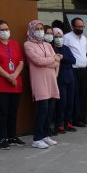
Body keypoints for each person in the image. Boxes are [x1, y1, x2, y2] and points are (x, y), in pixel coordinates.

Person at [0, 20, 25, 150]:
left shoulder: (14, 44)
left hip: (15, 83)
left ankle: (12, 136)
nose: (5, 31)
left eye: (6, 29)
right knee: (2, 112)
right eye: (1, 29)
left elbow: (20, 62)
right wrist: (8, 76)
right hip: (0, 84)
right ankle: (2, 138)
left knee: (13, 111)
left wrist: (14, 75)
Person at [24, 19, 60, 149]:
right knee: (42, 110)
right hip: (39, 81)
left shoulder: (48, 45)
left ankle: (45, 135)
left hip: (51, 80)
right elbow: (37, 61)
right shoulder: (28, 45)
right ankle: (37, 138)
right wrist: (52, 59)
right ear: (31, 30)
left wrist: (51, 60)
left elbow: (57, 63)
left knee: (50, 109)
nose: (40, 31)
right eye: (37, 29)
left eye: (41, 29)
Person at [63, 17, 87, 127]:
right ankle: (75, 119)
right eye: (78, 26)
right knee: (74, 95)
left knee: (83, 94)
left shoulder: (84, 38)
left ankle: (82, 117)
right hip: (72, 69)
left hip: (83, 69)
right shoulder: (67, 37)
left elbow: (86, 53)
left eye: (82, 26)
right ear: (73, 26)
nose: (80, 28)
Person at [52, 27, 77, 134]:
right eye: (56, 37)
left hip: (70, 78)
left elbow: (73, 60)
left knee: (70, 102)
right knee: (62, 102)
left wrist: (62, 58)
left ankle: (68, 122)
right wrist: (62, 60)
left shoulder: (66, 48)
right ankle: (59, 124)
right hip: (59, 78)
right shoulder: (51, 48)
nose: (58, 39)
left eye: (60, 36)